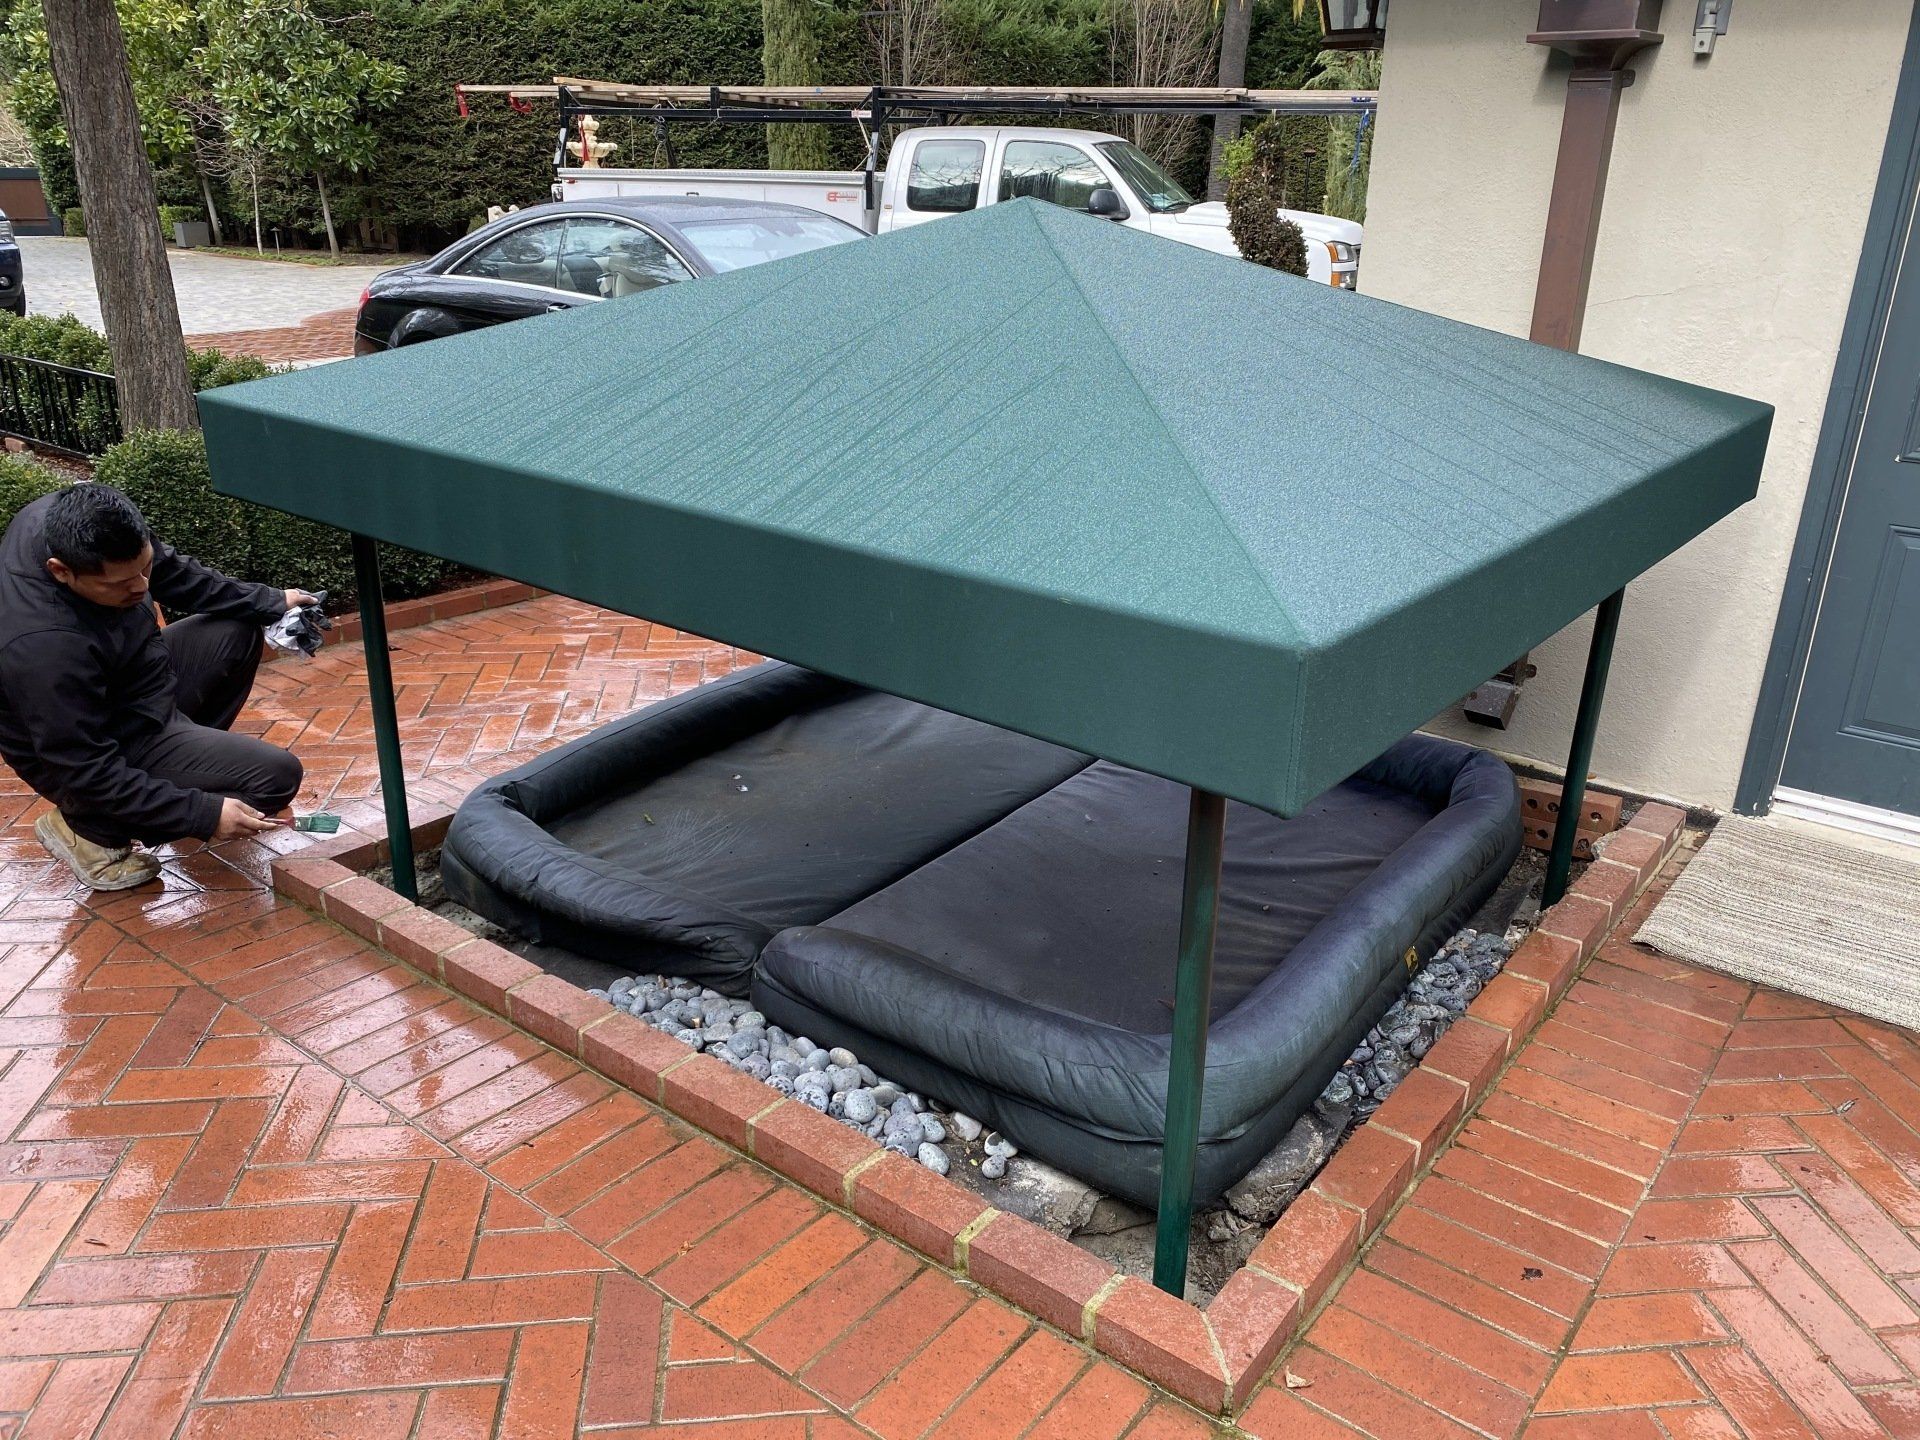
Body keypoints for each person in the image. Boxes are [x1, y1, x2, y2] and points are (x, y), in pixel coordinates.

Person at [0, 482, 315, 890]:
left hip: (132, 685)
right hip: (89, 745)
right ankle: (90, 830)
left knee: (235, 627)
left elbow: (168, 570)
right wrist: (201, 813)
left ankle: (175, 772)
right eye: (120, 585)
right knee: (274, 778)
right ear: (60, 571)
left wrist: (270, 600)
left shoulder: (82, 521)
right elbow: (85, 769)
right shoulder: (42, 646)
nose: (142, 587)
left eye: (144, 568)